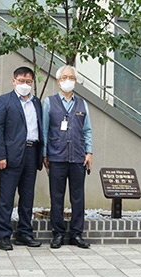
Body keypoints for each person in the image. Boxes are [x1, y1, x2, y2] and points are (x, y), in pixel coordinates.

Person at [0, 66, 43, 251]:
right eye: (21, 81)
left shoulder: (37, 102)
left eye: (28, 82)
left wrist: (41, 154)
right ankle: (4, 236)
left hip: (32, 152)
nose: (25, 85)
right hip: (10, 156)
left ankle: (24, 233)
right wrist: (0, 156)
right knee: (7, 197)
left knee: (27, 197)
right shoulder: (4, 101)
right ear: (14, 81)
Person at [42, 65, 93, 249]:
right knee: (57, 197)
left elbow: (87, 130)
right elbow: (45, 130)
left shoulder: (82, 104)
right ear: (58, 81)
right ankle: (58, 234)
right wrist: (45, 154)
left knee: (78, 197)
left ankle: (77, 234)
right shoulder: (49, 102)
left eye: (71, 77)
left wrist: (89, 152)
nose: (68, 80)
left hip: (78, 157)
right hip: (56, 157)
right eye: (64, 77)